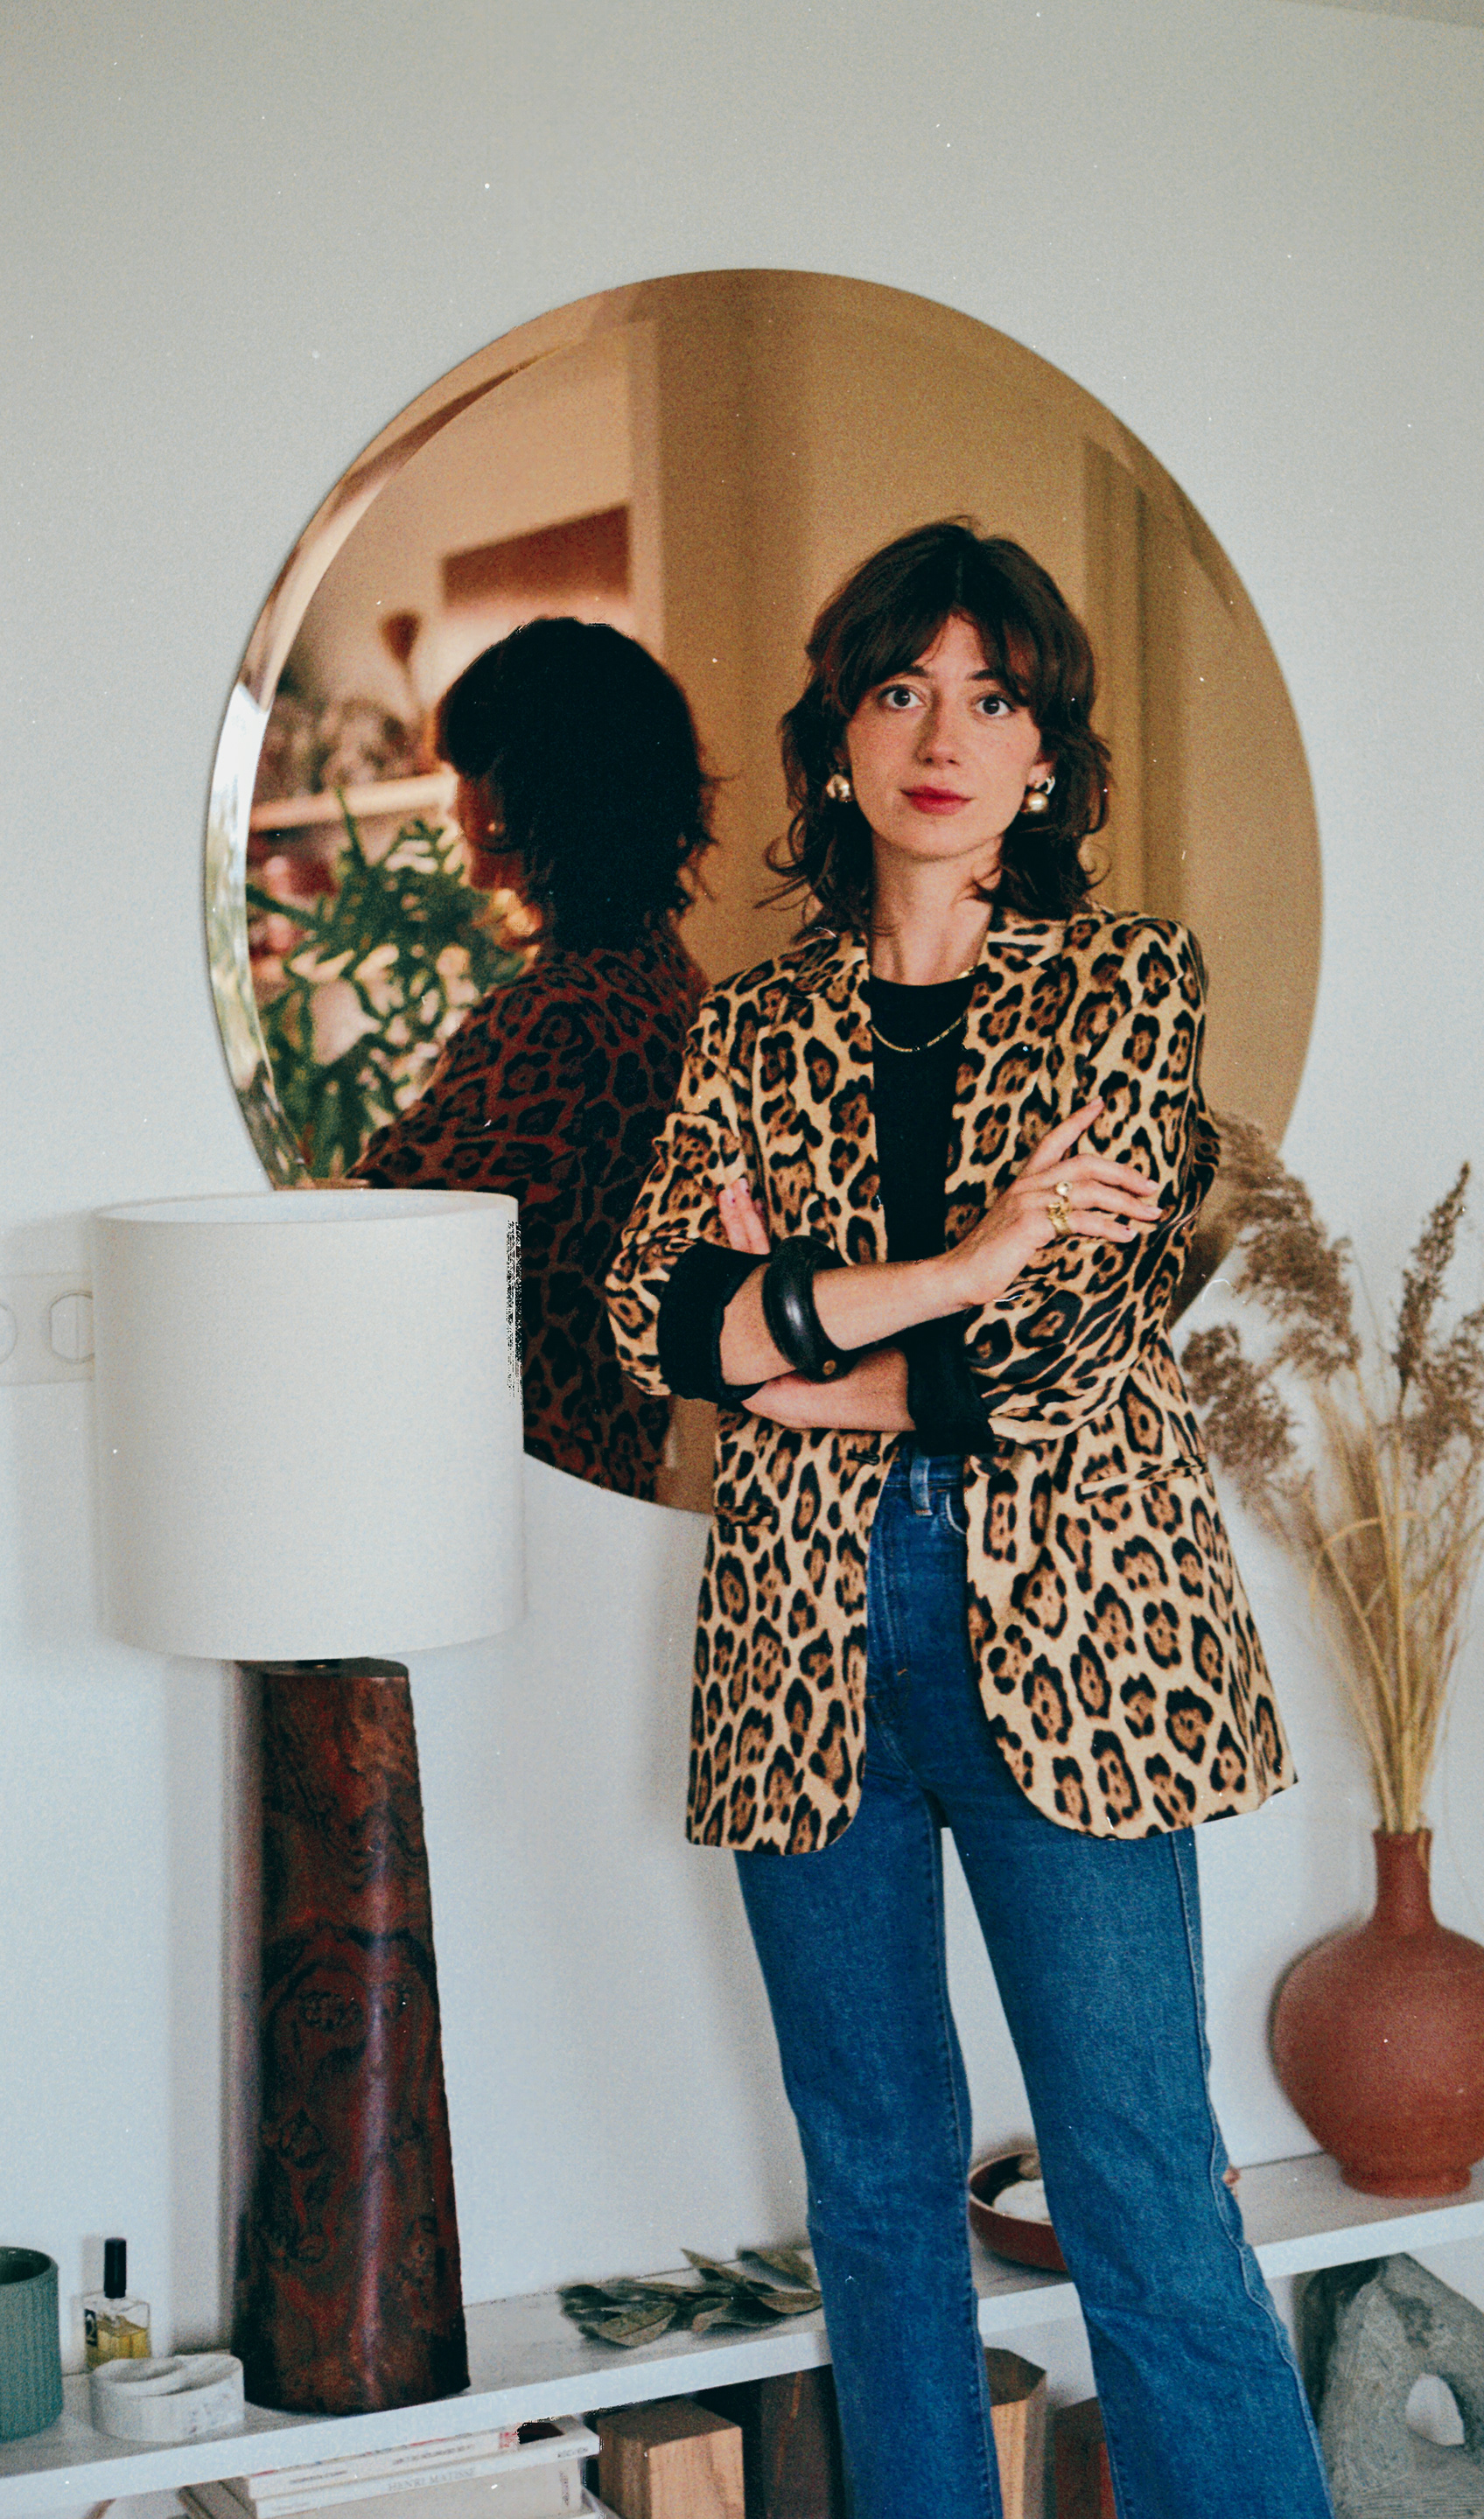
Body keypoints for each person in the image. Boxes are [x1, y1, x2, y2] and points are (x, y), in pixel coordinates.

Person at [606, 521, 1332, 2518]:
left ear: (1044, 756)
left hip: (1076, 1629)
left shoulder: (1124, 982)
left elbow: (1070, 1341)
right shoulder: (751, 1024)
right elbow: (652, 1314)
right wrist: (962, 1260)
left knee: (1137, 2174)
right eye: (900, 690)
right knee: (871, 2181)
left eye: (991, 696)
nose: (943, 735)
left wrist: (800, 1346)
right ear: (839, 739)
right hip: (801, 1636)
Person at [355, 616, 710, 1501]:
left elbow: (373, 1233)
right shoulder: (669, 978)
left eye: (468, 774)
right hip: (606, 1463)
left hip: (517, 1473)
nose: (455, 806)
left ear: (530, 791)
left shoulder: (552, 1019)